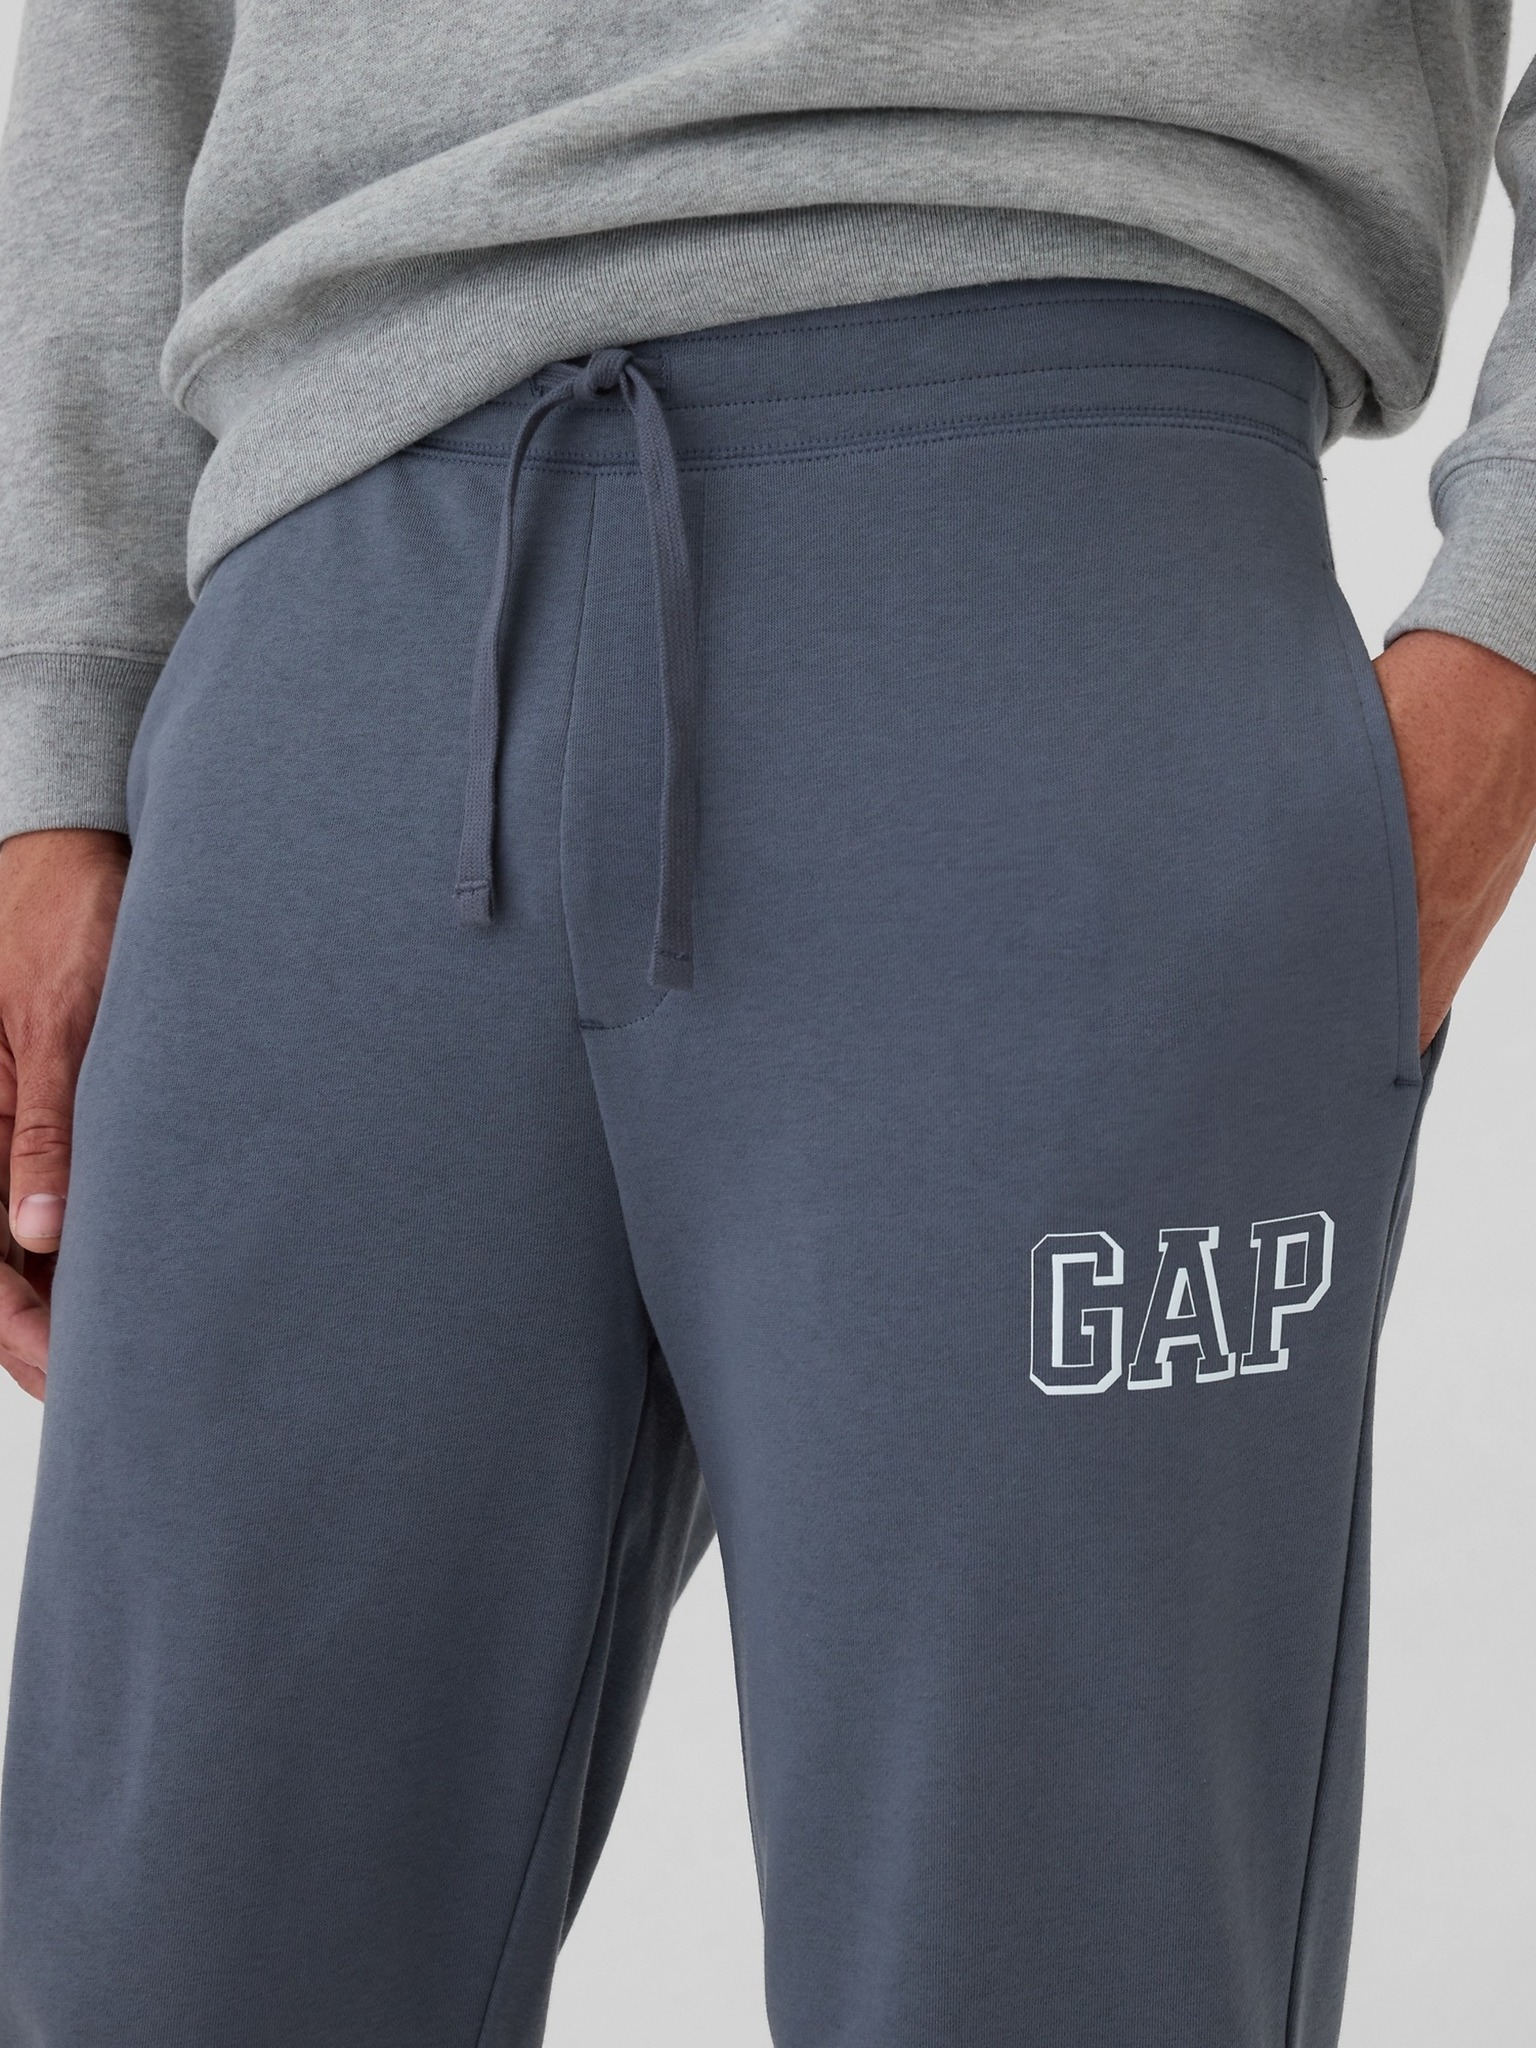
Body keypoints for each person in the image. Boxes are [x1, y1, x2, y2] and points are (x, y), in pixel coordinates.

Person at [0, 4, 1533, 2043]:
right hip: (324, 629)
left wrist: (1507, 645)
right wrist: (56, 727)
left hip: (1062, 572)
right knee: (165, 1967)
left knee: (1050, 1970)